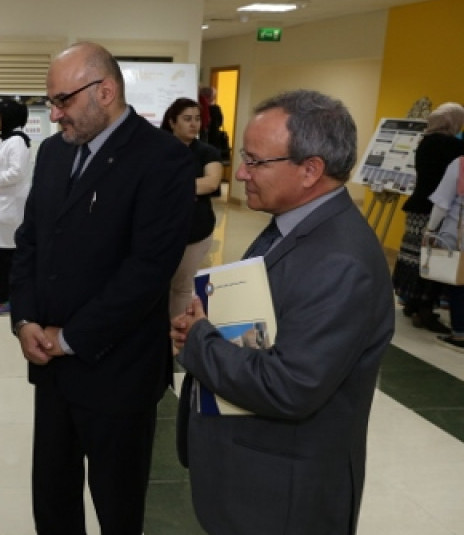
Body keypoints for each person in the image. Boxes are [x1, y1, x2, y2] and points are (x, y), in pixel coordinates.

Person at [170, 90, 395, 534]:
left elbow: (290, 385)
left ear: (311, 170)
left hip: (282, 497)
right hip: (252, 476)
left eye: (256, 162)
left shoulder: (340, 262)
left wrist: (200, 340)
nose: (241, 174)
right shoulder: (292, 226)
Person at [10, 42, 196, 534]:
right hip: (51, 368)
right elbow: (29, 242)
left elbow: (147, 272)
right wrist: (25, 320)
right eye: (50, 102)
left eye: (63, 101)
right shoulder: (53, 153)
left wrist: (70, 338)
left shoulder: (162, 160)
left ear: (106, 91)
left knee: (118, 510)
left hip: (118, 372)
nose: (54, 115)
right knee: (53, 503)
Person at [392, 102, 464, 333]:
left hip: (416, 207)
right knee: (433, 258)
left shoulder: (426, 141)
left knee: (414, 257)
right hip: (434, 210)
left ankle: (411, 302)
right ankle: (425, 310)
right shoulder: (451, 146)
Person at [161, 97, 224, 319]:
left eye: (197, 119)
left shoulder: (207, 152)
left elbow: (211, 183)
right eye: (187, 119)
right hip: (161, 229)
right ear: (172, 122)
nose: (193, 124)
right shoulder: (158, 149)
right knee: (156, 284)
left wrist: (169, 187)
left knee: (182, 286)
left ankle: (177, 331)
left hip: (195, 231)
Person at [0, 98, 32, 316]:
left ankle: (13, 299)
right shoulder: (7, 140)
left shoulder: (18, 141)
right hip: (3, 205)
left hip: (13, 208)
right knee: (0, 252)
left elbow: (16, 172)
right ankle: (0, 294)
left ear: (8, 116)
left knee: (11, 256)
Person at [425, 155, 464, 348]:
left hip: (458, 235)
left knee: (458, 283)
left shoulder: (460, 164)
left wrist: (430, 229)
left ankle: (459, 333)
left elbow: (442, 202)